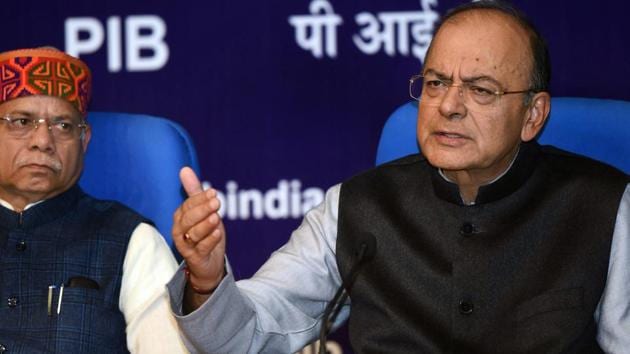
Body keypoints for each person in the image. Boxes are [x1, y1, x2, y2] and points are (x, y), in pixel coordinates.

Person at [167, 1, 630, 353]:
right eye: (435, 83)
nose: (449, 105)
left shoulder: (606, 208)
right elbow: (252, 334)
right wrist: (207, 282)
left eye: (481, 89)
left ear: (534, 115)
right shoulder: (356, 207)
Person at [0, 48, 187, 353]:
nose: (43, 141)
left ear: (84, 141)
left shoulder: (133, 241)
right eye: (21, 122)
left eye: (63, 126)